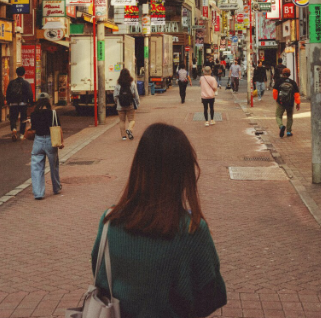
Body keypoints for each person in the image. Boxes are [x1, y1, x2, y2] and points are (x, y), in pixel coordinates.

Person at [91, 123, 227, 317]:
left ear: (138, 166)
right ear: (183, 172)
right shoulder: (191, 230)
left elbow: (101, 278)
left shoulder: (109, 222)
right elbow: (213, 295)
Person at [29, 92, 64, 200]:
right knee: (54, 166)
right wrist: (61, 142)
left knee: (36, 168)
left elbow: (33, 129)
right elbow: (58, 128)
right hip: (51, 141)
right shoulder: (53, 113)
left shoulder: (34, 114)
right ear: (49, 101)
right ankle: (56, 187)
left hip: (38, 141)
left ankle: (39, 193)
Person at [6, 66, 33, 142]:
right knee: (23, 119)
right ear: (24, 73)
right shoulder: (26, 83)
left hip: (13, 104)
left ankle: (14, 129)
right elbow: (30, 94)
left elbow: (8, 93)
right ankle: (21, 134)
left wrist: (8, 102)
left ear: (16, 73)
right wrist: (30, 102)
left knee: (13, 118)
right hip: (23, 103)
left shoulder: (11, 83)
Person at [113, 69, 140, 141]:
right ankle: (129, 129)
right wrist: (137, 103)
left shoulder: (118, 84)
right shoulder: (132, 83)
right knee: (132, 120)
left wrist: (117, 102)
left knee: (122, 121)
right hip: (130, 105)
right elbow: (136, 95)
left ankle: (123, 136)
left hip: (120, 105)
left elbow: (115, 96)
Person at [273, 68, 300, 137]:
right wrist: (298, 103)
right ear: (289, 74)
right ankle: (288, 132)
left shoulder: (279, 81)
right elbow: (296, 94)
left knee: (278, 116)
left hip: (281, 102)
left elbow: (274, 91)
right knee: (289, 116)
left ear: (282, 73)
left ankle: (281, 126)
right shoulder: (293, 82)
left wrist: (276, 99)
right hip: (290, 102)